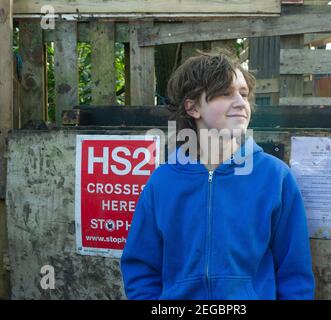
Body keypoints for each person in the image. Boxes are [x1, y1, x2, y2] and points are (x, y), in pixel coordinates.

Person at [120, 51, 315, 300]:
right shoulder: (162, 182)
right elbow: (141, 268)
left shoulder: (275, 177)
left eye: (243, 94)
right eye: (225, 93)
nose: (240, 103)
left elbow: (295, 273)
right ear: (192, 107)